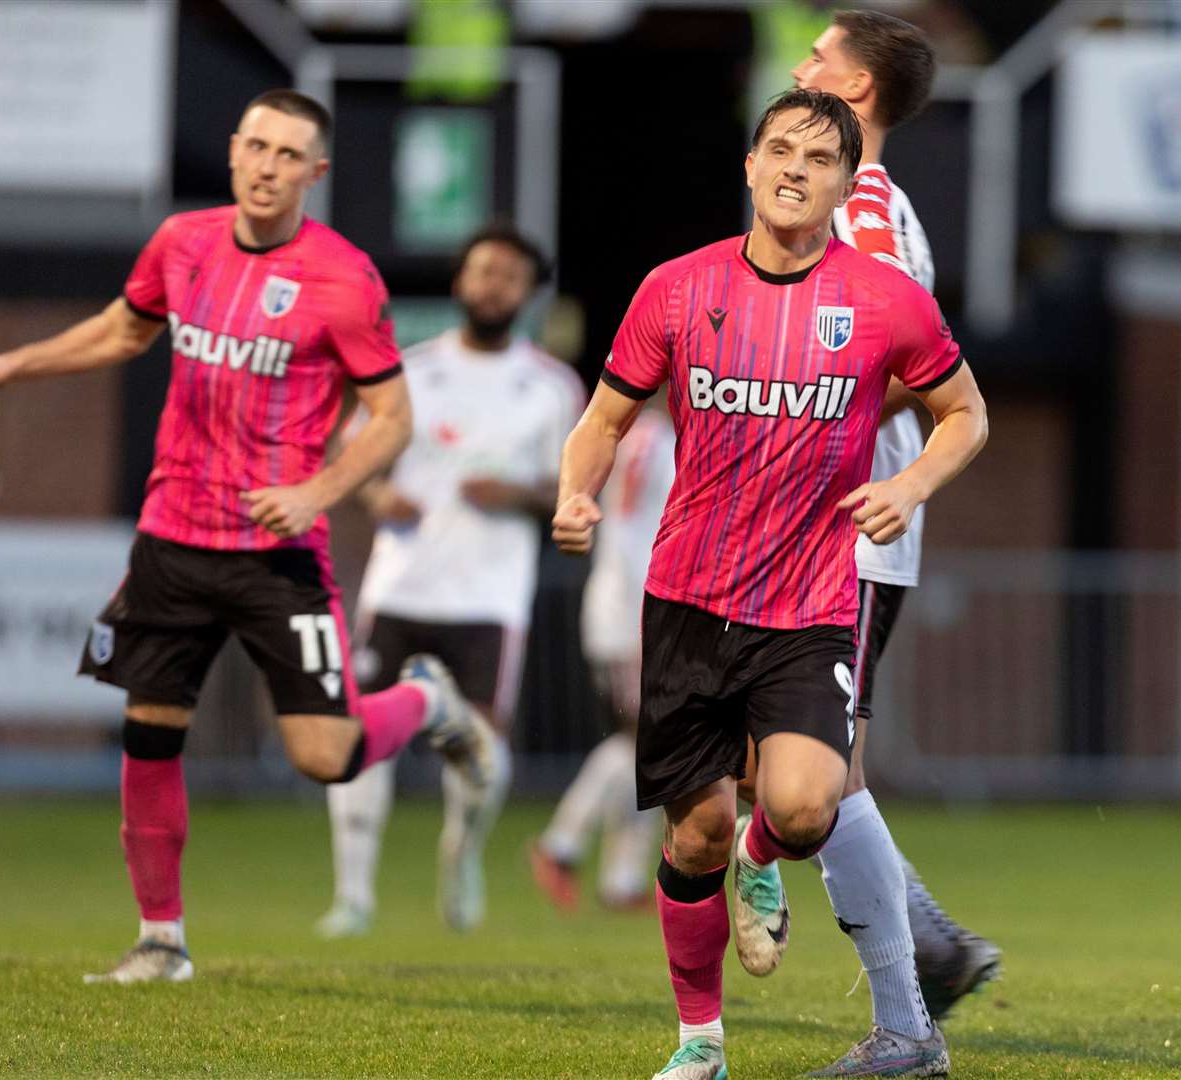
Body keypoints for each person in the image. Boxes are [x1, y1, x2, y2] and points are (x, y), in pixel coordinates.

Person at [0, 89, 488, 984]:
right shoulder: (182, 242)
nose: (269, 166)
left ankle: (428, 701)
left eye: (290, 155)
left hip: (276, 554)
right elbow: (125, 328)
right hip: (172, 536)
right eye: (257, 146)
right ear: (234, 150)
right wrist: (12, 365)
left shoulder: (343, 278)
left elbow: (393, 418)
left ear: (316, 172)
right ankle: (162, 940)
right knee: (150, 732)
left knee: (327, 756)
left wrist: (316, 491)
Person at [552, 88, 987, 1080]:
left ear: (844, 182)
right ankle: (701, 1042)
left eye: (820, 157)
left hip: (809, 607)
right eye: (779, 150)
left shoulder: (881, 298)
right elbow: (604, 419)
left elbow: (965, 412)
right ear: (749, 166)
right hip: (688, 603)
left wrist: (910, 484)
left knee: (802, 808)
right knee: (693, 835)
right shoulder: (675, 287)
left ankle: (765, 857)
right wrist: (575, 494)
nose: (796, 168)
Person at [788, 9, 1003, 1048]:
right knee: (807, 773)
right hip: (839, 527)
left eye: (821, 55)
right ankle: (929, 955)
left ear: (859, 90)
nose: (800, 66)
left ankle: (912, 1009)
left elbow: (896, 363)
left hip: (845, 526)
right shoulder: (870, 201)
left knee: (816, 775)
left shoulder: (863, 207)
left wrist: (797, 446)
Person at [315, 224, 578, 936]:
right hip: (400, 585)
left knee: (482, 750)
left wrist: (523, 493)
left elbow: (579, 489)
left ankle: (461, 851)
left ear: (526, 295)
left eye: (509, 276)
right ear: (461, 281)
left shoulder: (551, 387)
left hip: (488, 597)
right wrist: (374, 497)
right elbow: (351, 457)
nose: (493, 285)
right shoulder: (412, 369)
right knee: (357, 734)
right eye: (483, 270)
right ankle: (353, 894)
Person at [530, 403, 676, 911]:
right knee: (642, 739)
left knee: (651, 744)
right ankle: (562, 843)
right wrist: (652, 612)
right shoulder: (658, 441)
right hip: (635, 607)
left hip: (626, 604)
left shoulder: (641, 436)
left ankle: (620, 879)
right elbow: (641, 531)